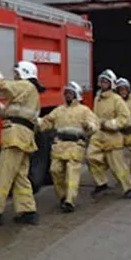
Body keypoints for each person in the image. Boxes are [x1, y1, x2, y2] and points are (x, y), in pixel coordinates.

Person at [0, 53, 45, 226]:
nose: (15, 77)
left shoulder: (25, 86)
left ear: (24, 73)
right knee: (20, 176)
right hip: (23, 137)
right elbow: (9, 113)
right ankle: (28, 212)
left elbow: (3, 84)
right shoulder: (30, 92)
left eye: (17, 73)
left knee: (3, 174)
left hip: (15, 137)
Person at [39, 81, 99, 212]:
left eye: (71, 93)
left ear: (77, 95)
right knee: (55, 170)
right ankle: (63, 196)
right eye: (66, 93)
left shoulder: (84, 110)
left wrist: (89, 126)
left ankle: (70, 200)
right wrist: (34, 121)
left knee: (72, 174)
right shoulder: (59, 110)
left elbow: (94, 124)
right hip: (60, 146)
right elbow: (47, 121)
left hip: (75, 146)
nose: (68, 95)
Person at [86, 69, 131, 199]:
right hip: (98, 135)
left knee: (117, 166)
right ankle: (101, 183)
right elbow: (95, 116)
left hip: (113, 136)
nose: (103, 83)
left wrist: (109, 124)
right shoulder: (97, 98)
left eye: (106, 81)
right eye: (102, 81)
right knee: (90, 157)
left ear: (111, 84)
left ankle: (128, 187)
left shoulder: (117, 99)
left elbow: (125, 118)